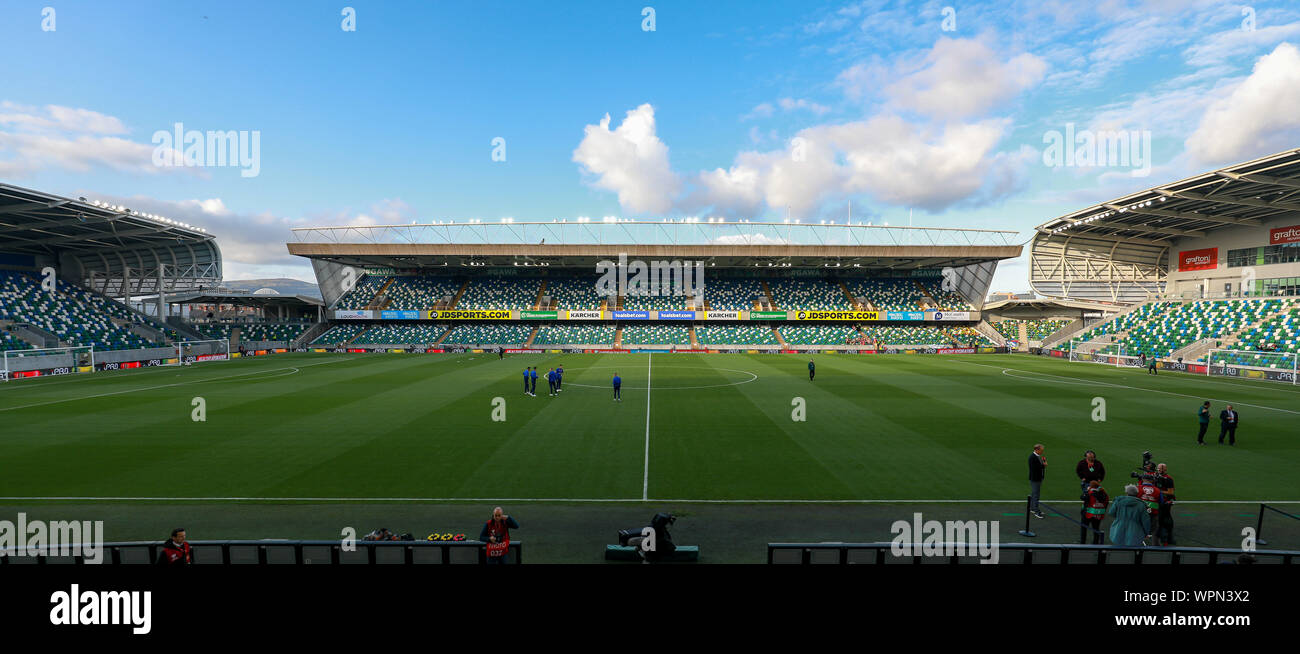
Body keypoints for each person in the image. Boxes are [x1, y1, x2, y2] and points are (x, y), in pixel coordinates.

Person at [1154, 463, 1176, 545]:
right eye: (1158, 468)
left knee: (1164, 521)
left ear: (1165, 469)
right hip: (1159, 502)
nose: (1159, 470)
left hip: (1166, 503)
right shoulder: (1156, 477)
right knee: (1160, 521)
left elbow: (1170, 492)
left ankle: (1166, 538)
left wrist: (1158, 491)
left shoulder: (1169, 479)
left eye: (1161, 468)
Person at [1028, 444, 1046, 519]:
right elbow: (1035, 468)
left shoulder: (1036, 457)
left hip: (1037, 478)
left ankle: (1032, 508)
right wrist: (1043, 465)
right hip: (1035, 479)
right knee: (1036, 495)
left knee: (1034, 493)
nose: (1042, 452)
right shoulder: (1032, 457)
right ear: (1037, 450)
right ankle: (1036, 511)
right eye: (1041, 450)